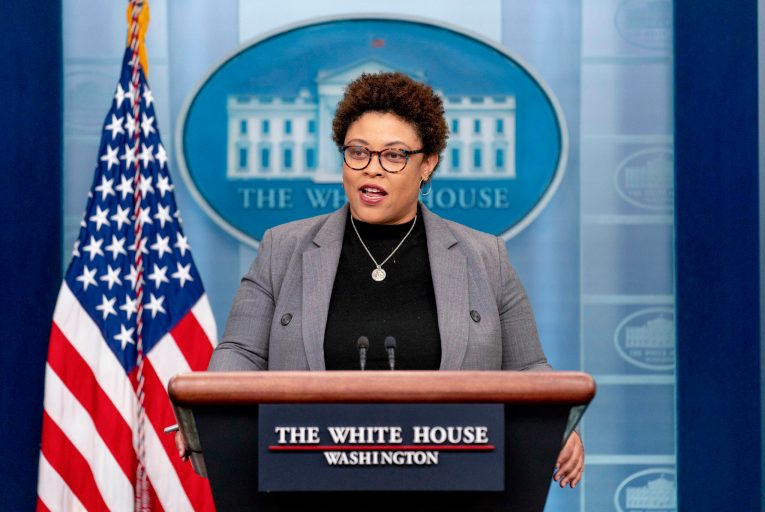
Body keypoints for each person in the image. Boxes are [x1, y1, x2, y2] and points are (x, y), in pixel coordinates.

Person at [182, 72, 583, 487]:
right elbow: (240, 353)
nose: (371, 170)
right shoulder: (282, 249)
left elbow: (527, 369)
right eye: (358, 152)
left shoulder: (486, 257)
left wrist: (557, 423)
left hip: (450, 488)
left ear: (427, 165)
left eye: (394, 156)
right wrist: (210, 417)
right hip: (308, 487)